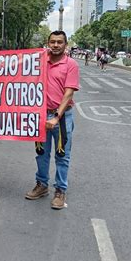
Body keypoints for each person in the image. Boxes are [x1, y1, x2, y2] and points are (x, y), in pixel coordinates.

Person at [25, 30, 80, 210]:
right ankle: (41, 185)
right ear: (48, 43)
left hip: (62, 118)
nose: (56, 45)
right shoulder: (39, 63)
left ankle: (60, 190)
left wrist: (56, 117)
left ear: (65, 45)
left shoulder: (70, 64)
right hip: (40, 115)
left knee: (62, 155)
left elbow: (69, 92)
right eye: (52, 42)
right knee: (41, 153)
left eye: (59, 42)